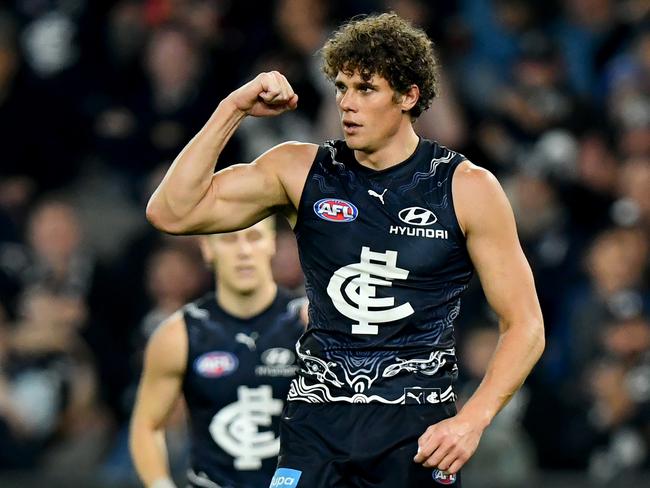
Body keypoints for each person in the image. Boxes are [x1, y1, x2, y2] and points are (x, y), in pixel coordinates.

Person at [146, 12, 545, 488]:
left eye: (365, 89)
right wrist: (232, 108)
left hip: (415, 432)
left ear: (408, 96)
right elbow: (172, 212)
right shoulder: (300, 169)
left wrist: (473, 418)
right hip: (315, 424)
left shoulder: (466, 188)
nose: (347, 104)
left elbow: (525, 325)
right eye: (341, 87)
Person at [129, 219, 306, 488]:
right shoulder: (178, 334)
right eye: (229, 240)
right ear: (207, 248)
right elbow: (147, 425)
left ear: (272, 244)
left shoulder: (308, 323)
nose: (243, 251)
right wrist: (160, 484)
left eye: (254, 237)